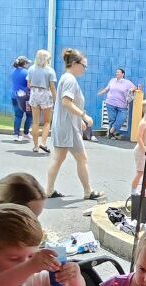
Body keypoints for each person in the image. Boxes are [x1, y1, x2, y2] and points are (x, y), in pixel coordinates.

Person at [46, 48, 105, 201]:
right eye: (84, 65)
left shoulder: (66, 78)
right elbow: (67, 102)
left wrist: (79, 122)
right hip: (68, 128)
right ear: (74, 63)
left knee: (58, 159)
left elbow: (66, 105)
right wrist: (84, 116)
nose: (85, 69)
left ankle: (49, 190)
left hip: (64, 126)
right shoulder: (70, 80)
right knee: (82, 159)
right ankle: (88, 191)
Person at [27, 49, 57, 154]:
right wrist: (55, 99)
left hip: (34, 94)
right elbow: (52, 87)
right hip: (45, 94)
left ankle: (35, 146)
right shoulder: (50, 71)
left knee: (35, 121)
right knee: (47, 121)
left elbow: (28, 85)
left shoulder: (31, 69)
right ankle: (43, 143)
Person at [98, 67, 137, 139]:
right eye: (116, 72)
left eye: (118, 72)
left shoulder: (127, 82)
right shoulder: (112, 80)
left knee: (122, 118)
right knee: (112, 119)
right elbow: (107, 89)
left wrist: (132, 89)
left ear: (123, 74)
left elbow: (135, 87)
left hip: (122, 105)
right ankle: (111, 134)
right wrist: (101, 93)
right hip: (110, 103)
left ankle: (112, 130)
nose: (117, 73)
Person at [11, 55, 33, 142]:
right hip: (25, 97)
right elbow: (29, 85)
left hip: (14, 96)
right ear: (24, 63)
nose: (28, 64)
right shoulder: (27, 72)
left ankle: (16, 134)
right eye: (27, 63)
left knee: (18, 115)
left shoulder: (13, 72)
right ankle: (26, 133)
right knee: (29, 115)